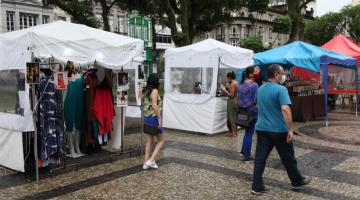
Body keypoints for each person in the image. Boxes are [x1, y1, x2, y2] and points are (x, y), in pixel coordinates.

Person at [252, 64, 311, 195]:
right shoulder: (281, 89)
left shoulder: (260, 88)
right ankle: (296, 181)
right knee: (288, 157)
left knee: (260, 158)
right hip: (279, 130)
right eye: (282, 73)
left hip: (262, 128)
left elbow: (257, 105)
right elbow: (285, 109)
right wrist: (290, 129)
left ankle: (256, 186)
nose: (284, 75)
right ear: (276, 75)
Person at [142, 73, 165, 169]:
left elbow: (141, 98)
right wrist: (159, 119)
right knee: (161, 140)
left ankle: (146, 162)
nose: (159, 81)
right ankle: (151, 160)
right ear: (156, 81)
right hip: (153, 118)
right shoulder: (154, 91)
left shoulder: (146, 90)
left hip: (147, 117)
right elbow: (154, 105)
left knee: (149, 141)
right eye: (158, 79)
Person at [238, 66, 258, 161]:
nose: (256, 73)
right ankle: (247, 155)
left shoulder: (241, 85)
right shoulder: (254, 85)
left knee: (246, 132)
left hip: (242, 112)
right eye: (254, 72)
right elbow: (256, 99)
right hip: (252, 112)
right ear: (250, 74)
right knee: (249, 133)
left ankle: (243, 151)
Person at [220, 71, 238, 137]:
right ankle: (232, 132)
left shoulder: (233, 83)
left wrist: (224, 90)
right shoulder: (234, 83)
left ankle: (234, 133)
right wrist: (226, 89)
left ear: (230, 78)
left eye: (227, 78)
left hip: (232, 101)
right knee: (231, 117)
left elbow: (231, 95)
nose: (227, 80)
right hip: (233, 101)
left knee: (231, 117)